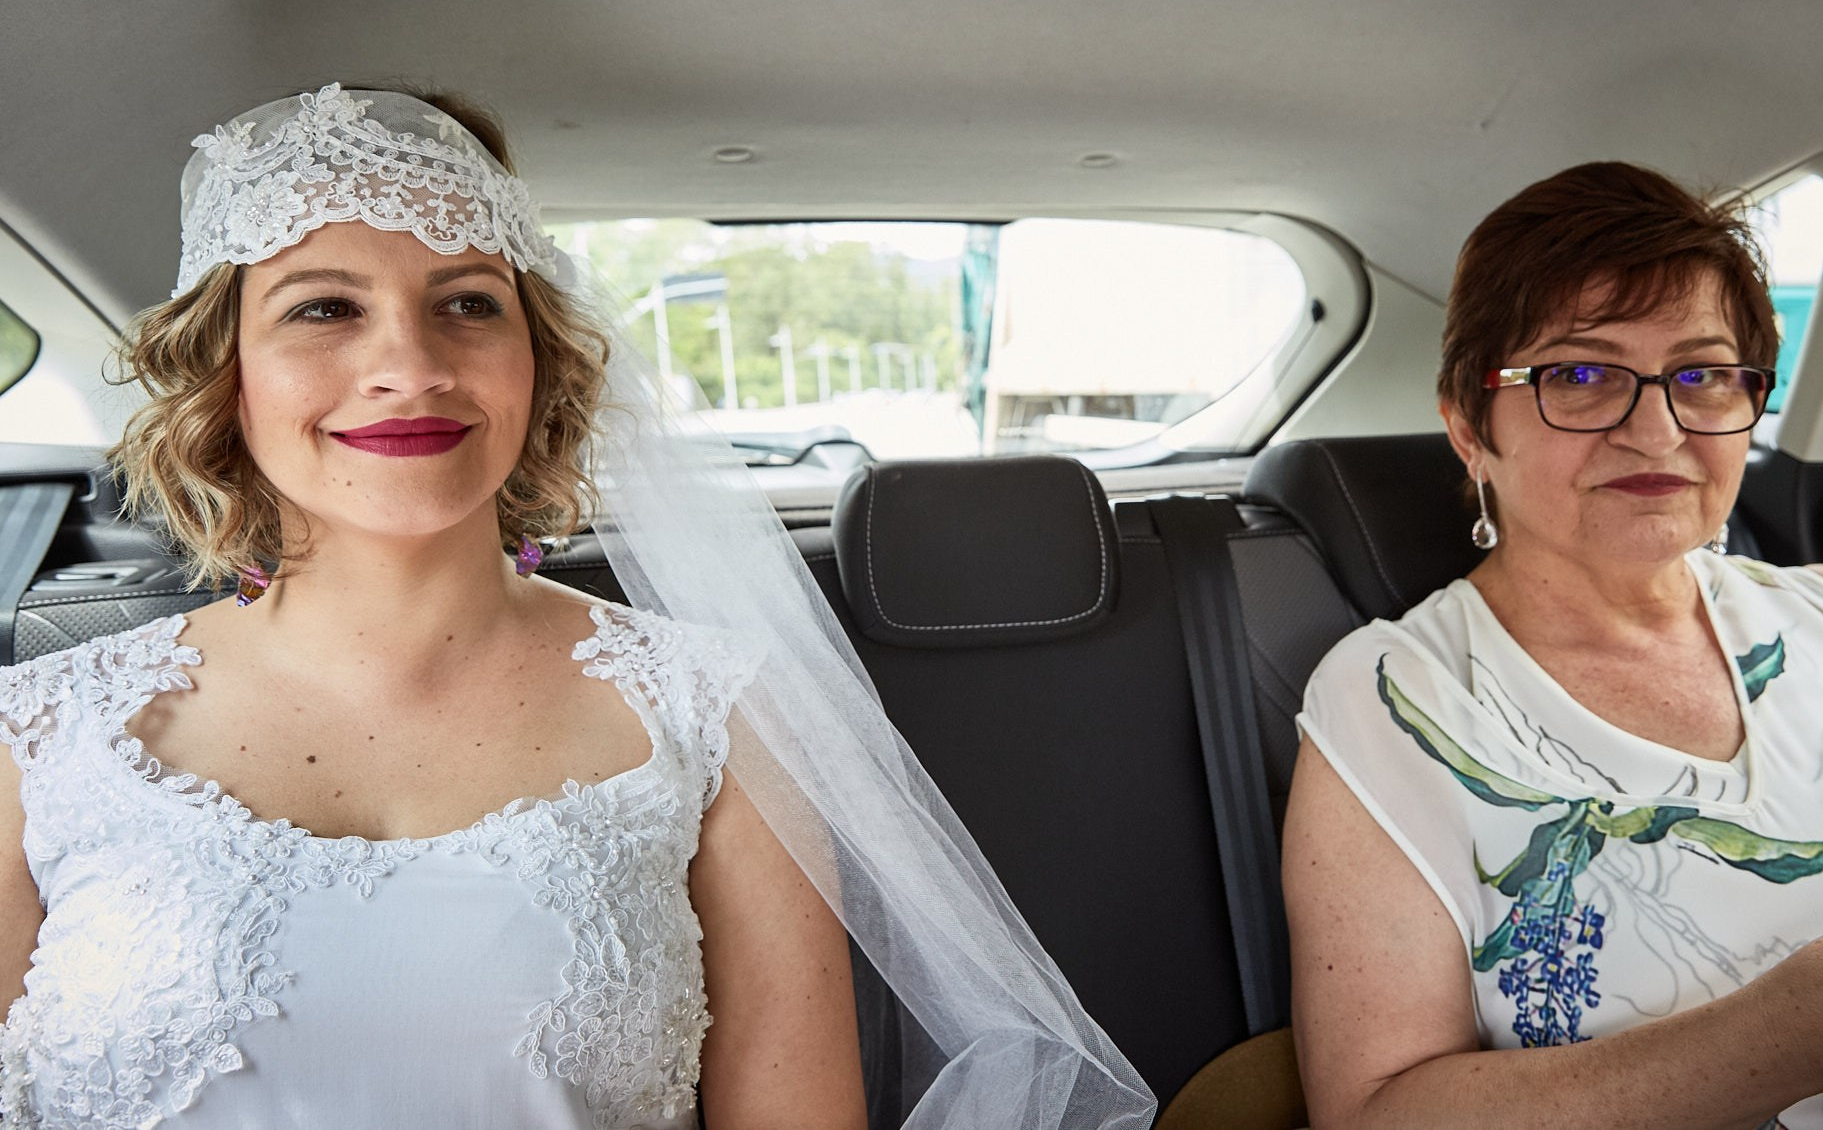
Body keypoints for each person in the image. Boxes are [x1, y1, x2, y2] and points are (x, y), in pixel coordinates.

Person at [0, 84, 1151, 1129]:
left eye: (467, 302)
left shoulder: (722, 717)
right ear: (226, 375)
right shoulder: (38, 736)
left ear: (536, 363)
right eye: (322, 310)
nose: (410, 364)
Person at [1283, 161, 1823, 1128]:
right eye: (1581, 374)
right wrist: (1800, 1033)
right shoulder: (1397, 696)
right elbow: (1372, 1113)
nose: (1656, 427)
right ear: (1470, 428)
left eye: (1702, 373)